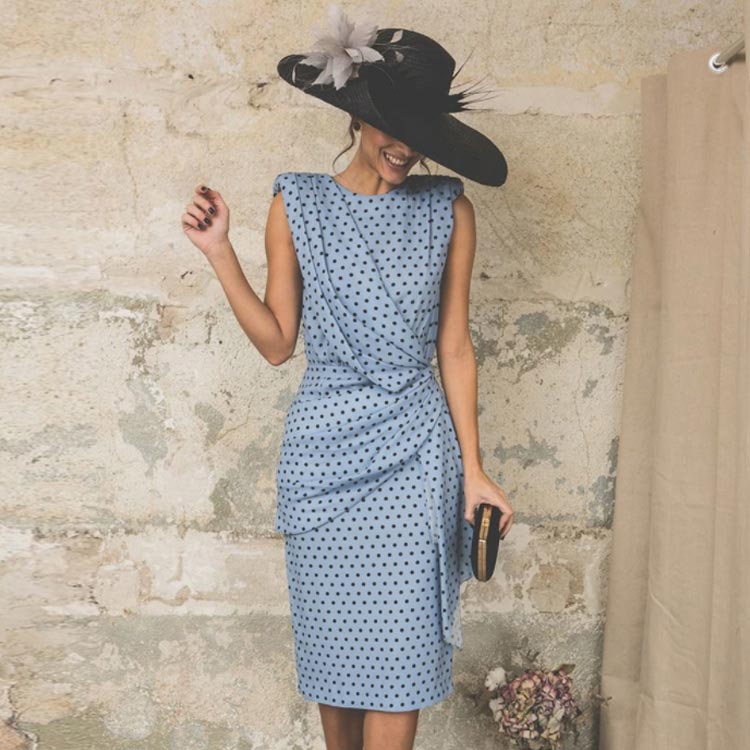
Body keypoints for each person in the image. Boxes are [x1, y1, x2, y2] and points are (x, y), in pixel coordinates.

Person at [181, 8, 514, 749]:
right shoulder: (297, 202)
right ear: (357, 116)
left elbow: (456, 348)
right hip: (323, 460)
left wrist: (475, 471)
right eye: (393, 128)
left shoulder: (449, 210)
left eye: (420, 136)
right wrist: (219, 253)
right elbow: (277, 344)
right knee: (336, 669)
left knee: (402, 661)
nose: (405, 149)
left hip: (416, 459)